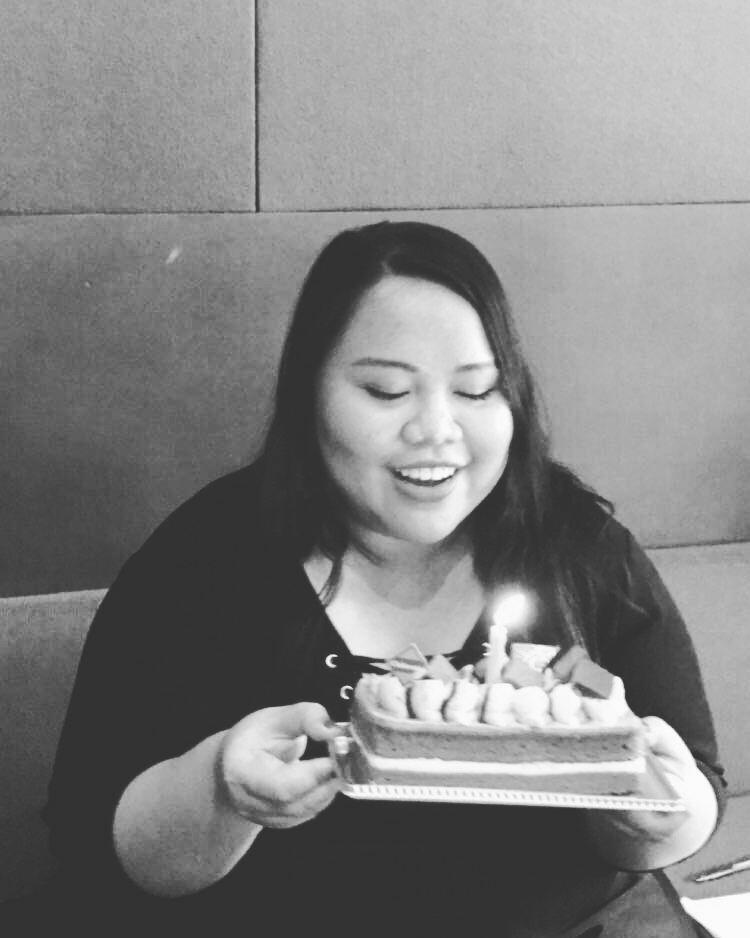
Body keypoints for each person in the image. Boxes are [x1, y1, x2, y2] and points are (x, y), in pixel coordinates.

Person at [39, 221, 724, 936]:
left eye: (477, 390)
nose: (437, 429)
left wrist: (654, 814)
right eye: (387, 390)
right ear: (309, 391)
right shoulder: (207, 559)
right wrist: (220, 789)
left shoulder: (579, 547)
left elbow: (691, 792)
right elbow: (93, 838)